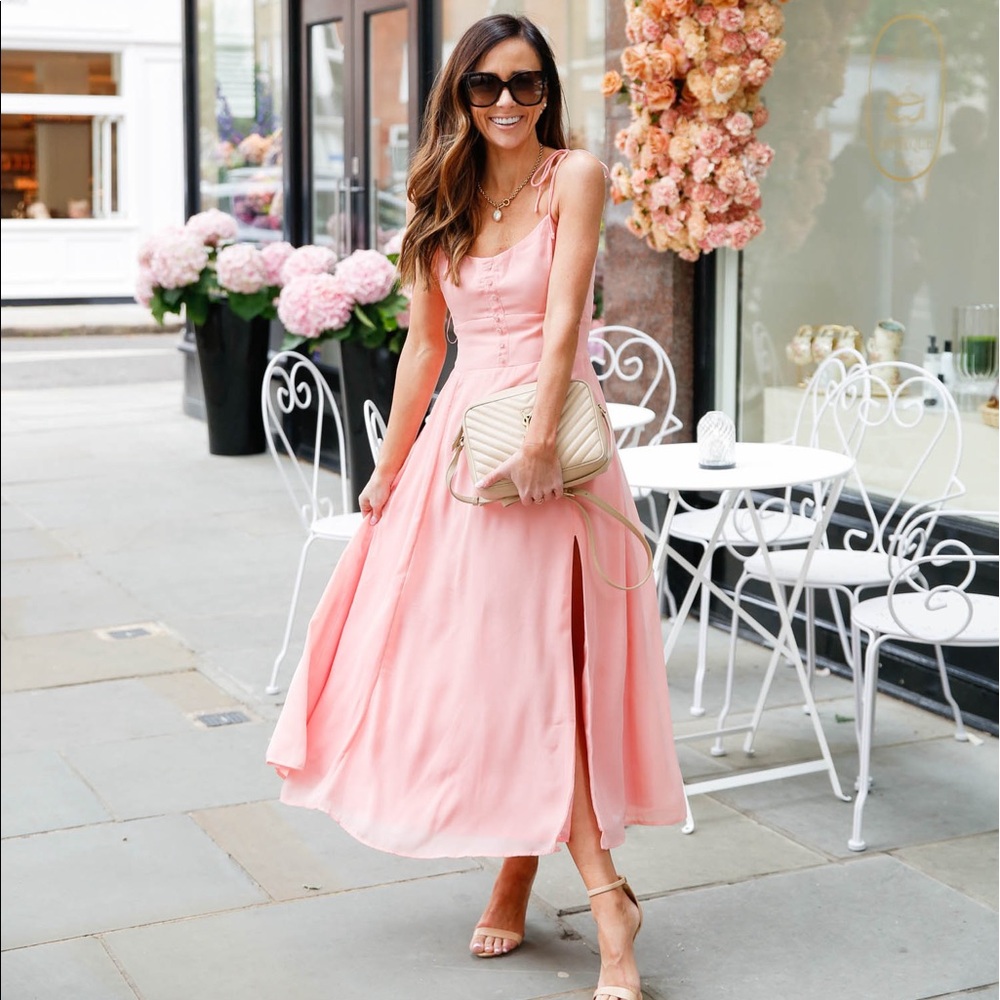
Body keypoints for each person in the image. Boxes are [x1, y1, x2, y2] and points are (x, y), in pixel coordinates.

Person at [266, 14, 686, 1000]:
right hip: (461, 450)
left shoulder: (574, 176)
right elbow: (424, 345)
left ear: (547, 92)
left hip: (548, 447)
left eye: (527, 83)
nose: (508, 101)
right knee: (490, 670)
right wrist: (388, 467)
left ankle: (605, 907)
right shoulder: (440, 196)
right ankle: (520, 869)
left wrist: (539, 435)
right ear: (459, 94)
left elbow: (565, 317)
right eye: (487, 85)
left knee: (544, 666)